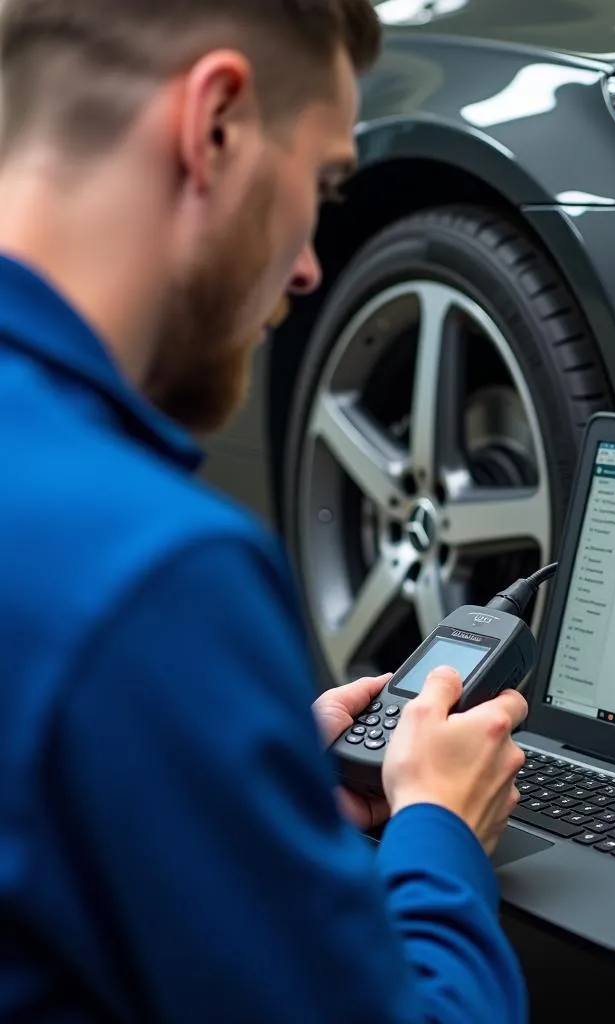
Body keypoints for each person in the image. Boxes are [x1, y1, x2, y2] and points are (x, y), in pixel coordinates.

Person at [0, 1, 531, 1021]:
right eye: (323, 185)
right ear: (216, 126)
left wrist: (232, 766)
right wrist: (438, 831)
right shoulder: (149, 572)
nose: (306, 267)